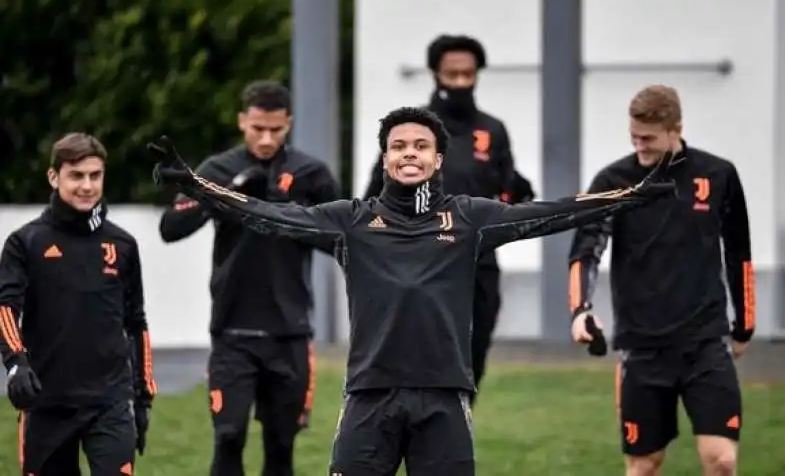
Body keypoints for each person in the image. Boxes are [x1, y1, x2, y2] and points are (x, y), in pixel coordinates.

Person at [150, 106, 674, 476]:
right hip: (370, 398)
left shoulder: (468, 218)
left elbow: (549, 212)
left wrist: (629, 197)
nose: (409, 153)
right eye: (398, 145)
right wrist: (198, 186)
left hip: (444, 398)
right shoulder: (352, 221)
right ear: (385, 158)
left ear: (437, 159)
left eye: (421, 146)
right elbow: (268, 214)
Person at [567, 85, 754, 476]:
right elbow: (587, 248)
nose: (640, 146)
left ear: (676, 129)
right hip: (643, 349)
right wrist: (581, 310)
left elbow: (740, 254)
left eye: (649, 139)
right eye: (634, 137)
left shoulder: (717, 174)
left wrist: (744, 327)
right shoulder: (613, 180)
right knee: (644, 466)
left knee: (721, 461)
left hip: (705, 343)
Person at [158, 80, 340, 476]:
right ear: (242, 121)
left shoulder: (310, 174)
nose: (266, 138)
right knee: (228, 436)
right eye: (258, 128)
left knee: (280, 446)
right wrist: (223, 195)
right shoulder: (217, 170)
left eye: (275, 129)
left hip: (289, 332)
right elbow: (170, 228)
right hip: (232, 332)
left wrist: (285, 211)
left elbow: (341, 240)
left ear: (288, 123)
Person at [364, 34, 536, 401]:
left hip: (477, 261)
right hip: (421, 262)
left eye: (467, 75)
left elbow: (506, 189)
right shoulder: (412, 131)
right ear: (434, 74)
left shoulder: (491, 130)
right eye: (451, 75)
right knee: (419, 360)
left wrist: (517, 193)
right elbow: (373, 201)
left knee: (471, 359)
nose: (459, 83)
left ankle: (458, 427)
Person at [0, 133, 157, 475]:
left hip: (110, 402)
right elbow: (5, 309)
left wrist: (143, 396)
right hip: (47, 402)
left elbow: (136, 323)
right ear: (54, 177)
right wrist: (16, 364)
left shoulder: (123, 244)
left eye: (95, 176)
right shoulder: (24, 243)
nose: (87, 186)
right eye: (76, 176)